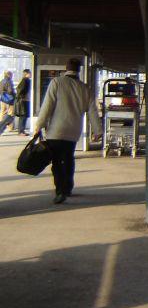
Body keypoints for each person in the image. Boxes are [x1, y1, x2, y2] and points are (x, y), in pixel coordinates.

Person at [35, 58, 102, 204]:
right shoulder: (85, 88)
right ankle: (68, 187)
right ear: (79, 70)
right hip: (73, 132)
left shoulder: (57, 83)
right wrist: (98, 131)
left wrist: (38, 125)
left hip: (55, 131)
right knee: (69, 159)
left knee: (57, 162)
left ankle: (60, 191)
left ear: (66, 68)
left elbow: (47, 106)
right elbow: (92, 111)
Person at [15, 68, 31, 135]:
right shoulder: (25, 80)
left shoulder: (25, 80)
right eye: (30, 73)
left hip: (24, 100)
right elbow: (19, 89)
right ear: (26, 74)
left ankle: (21, 131)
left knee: (24, 115)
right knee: (23, 115)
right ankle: (21, 131)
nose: (31, 74)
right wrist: (22, 96)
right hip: (24, 100)